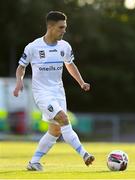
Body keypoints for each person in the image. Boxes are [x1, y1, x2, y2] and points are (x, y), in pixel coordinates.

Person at [13, 11, 95, 171]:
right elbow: (21, 67)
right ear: (50, 27)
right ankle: (84, 154)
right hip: (42, 93)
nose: (64, 30)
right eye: (61, 27)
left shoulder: (65, 47)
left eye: (65, 27)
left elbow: (70, 65)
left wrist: (81, 82)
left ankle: (34, 162)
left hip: (58, 92)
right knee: (64, 119)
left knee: (56, 130)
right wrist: (18, 83)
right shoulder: (33, 47)